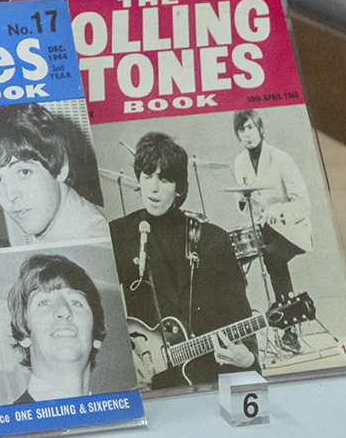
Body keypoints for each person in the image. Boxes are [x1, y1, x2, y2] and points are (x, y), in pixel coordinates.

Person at [109, 131, 255, 390]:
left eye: (164, 179)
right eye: (146, 176)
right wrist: (121, 360)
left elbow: (240, 316)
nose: (153, 188)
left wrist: (248, 358)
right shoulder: (118, 234)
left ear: (179, 187)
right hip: (144, 383)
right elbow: (95, 311)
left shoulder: (213, 240)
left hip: (206, 377)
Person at [0, 108, 108, 248]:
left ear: (61, 169)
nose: (10, 195)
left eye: (24, 172)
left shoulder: (96, 241)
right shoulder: (53, 224)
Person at [233, 109, 312, 311]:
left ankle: (288, 323)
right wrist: (243, 199)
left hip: (291, 228)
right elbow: (245, 207)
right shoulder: (239, 162)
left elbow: (304, 204)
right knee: (231, 256)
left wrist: (279, 211)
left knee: (272, 256)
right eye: (242, 130)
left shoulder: (281, 158)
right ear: (238, 135)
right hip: (264, 229)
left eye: (250, 127)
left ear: (260, 128)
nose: (247, 134)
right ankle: (243, 318)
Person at [7, 253, 107, 403]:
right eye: (44, 303)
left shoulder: (119, 416)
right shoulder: (10, 425)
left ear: (96, 335)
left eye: (76, 302)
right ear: (24, 334)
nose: (64, 311)